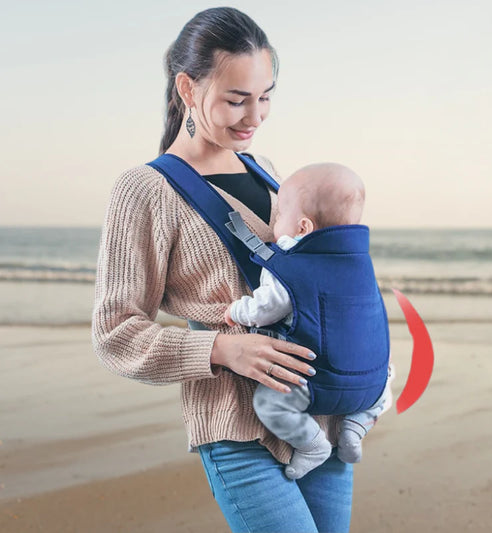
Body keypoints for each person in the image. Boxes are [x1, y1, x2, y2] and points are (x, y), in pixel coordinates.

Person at [92, 7, 356, 533]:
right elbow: (114, 333)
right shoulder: (145, 191)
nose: (254, 116)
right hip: (236, 428)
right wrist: (220, 348)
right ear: (187, 89)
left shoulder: (271, 175)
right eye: (236, 99)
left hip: (320, 419)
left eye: (265, 96)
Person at [224, 163, 394, 480]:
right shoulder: (360, 263)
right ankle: (355, 427)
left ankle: (312, 444)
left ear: (302, 227)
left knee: (271, 405)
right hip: (372, 386)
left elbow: (267, 308)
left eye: (278, 218)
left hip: (318, 383)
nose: (274, 225)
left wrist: (237, 311)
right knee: (387, 379)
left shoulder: (292, 264)